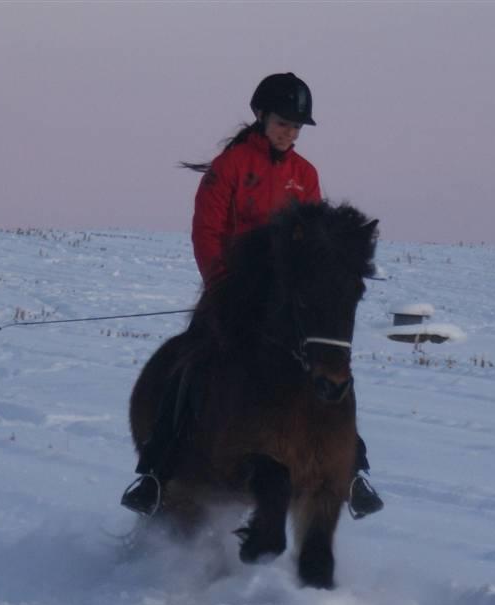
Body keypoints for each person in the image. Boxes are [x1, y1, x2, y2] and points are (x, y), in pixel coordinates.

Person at [121, 72, 383, 519]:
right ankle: (156, 469)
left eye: (297, 126)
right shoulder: (231, 167)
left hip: (287, 304)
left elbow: (316, 244)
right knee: (190, 363)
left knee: (329, 368)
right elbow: (206, 231)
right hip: (233, 295)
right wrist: (224, 288)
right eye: (283, 123)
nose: (290, 133)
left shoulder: (306, 175)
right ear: (261, 116)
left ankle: (351, 469)